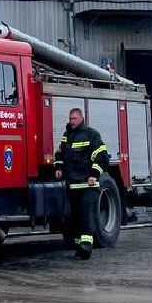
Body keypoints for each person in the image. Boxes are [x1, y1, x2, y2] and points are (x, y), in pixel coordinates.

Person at [55, 107, 109, 259]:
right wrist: (58, 167)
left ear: (81, 118)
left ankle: (86, 248)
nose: (71, 121)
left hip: (88, 185)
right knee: (74, 218)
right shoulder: (67, 136)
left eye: (74, 119)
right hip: (72, 185)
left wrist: (94, 175)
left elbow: (102, 156)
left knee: (86, 216)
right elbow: (60, 153)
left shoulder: (92, 134)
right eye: (70, 118)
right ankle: (79, 246)